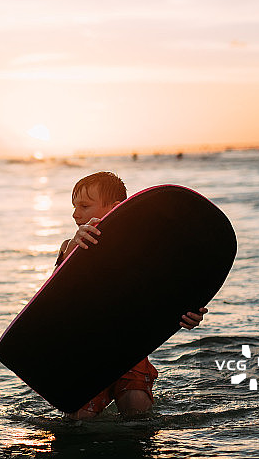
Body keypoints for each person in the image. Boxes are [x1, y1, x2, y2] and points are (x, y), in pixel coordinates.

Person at [55, 171, 208, 420]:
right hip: (85, 351)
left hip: (128, 349)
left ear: (115, 208)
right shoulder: (70, 247)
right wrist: (73, 249)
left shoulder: (143, 251)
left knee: (137, 410)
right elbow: (53, 295)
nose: (75, 214)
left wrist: (187, 314)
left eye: (84, 206)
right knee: (80, 418)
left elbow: (165, 293)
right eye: (74, 207)